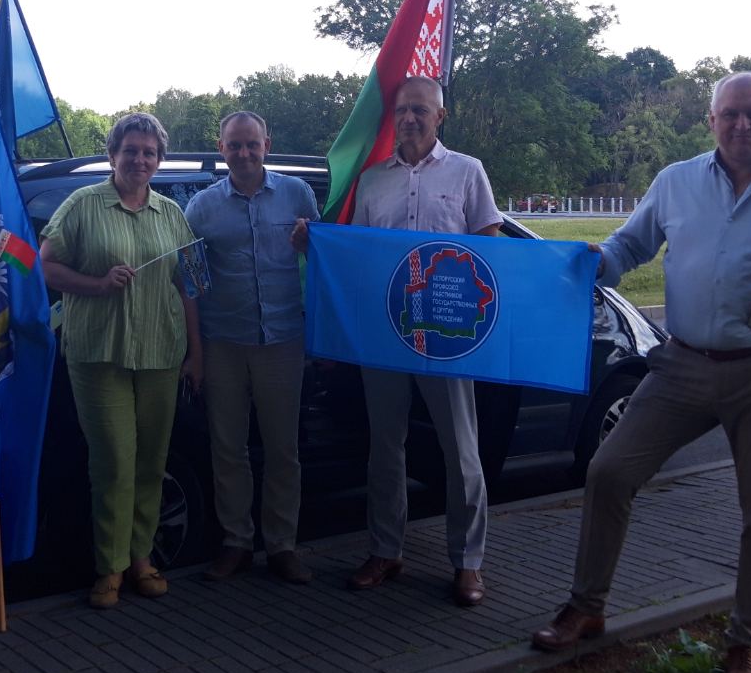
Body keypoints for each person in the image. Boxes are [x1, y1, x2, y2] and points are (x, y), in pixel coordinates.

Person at [530, 72, 751, 673]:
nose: (742, 125)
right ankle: (587, 605)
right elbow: (628, 247)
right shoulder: (675, 182)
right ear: (711, 120)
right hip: (683, 364)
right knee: (609, 472)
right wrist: (589, 262)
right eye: (731, 114)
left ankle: (747, 643)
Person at [347, 75, 509, 608]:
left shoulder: (468, 171)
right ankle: (385, 551)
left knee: (461, 450)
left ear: (440, 116)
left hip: (447, 335)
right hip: (386, 333)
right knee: (383, 447)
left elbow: (489, 250)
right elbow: (358, 253)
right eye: (403, 110)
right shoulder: (372, 181)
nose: (410, 118)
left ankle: (468, 562)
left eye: (421, 109)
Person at [39, 112, 203, 610]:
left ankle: (142, 559)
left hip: (160, 352)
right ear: (113, 154)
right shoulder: (82, 204)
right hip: (99, 353)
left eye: (149, 152)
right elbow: (42, 265)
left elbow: (189, 285)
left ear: (159, 160)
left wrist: (197, 352)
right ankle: (109, 566)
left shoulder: (171, 213)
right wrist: (96, 284)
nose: (139, 159)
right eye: (130, 150)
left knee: (152, 461)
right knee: (113, 461)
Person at [185, 111, 318, 585]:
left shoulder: (297, 194)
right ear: (221, 148)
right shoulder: (201, 207)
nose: (243, 153)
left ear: (267, 144)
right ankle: (236, 543)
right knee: (228, 448)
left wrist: (308, 244)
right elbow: (189, 280)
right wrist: (195, 351)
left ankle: (282, 546)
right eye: (234, 145)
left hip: (283, 339)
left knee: (283, 449)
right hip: (223, 342)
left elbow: (323, 262)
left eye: (251, 144)